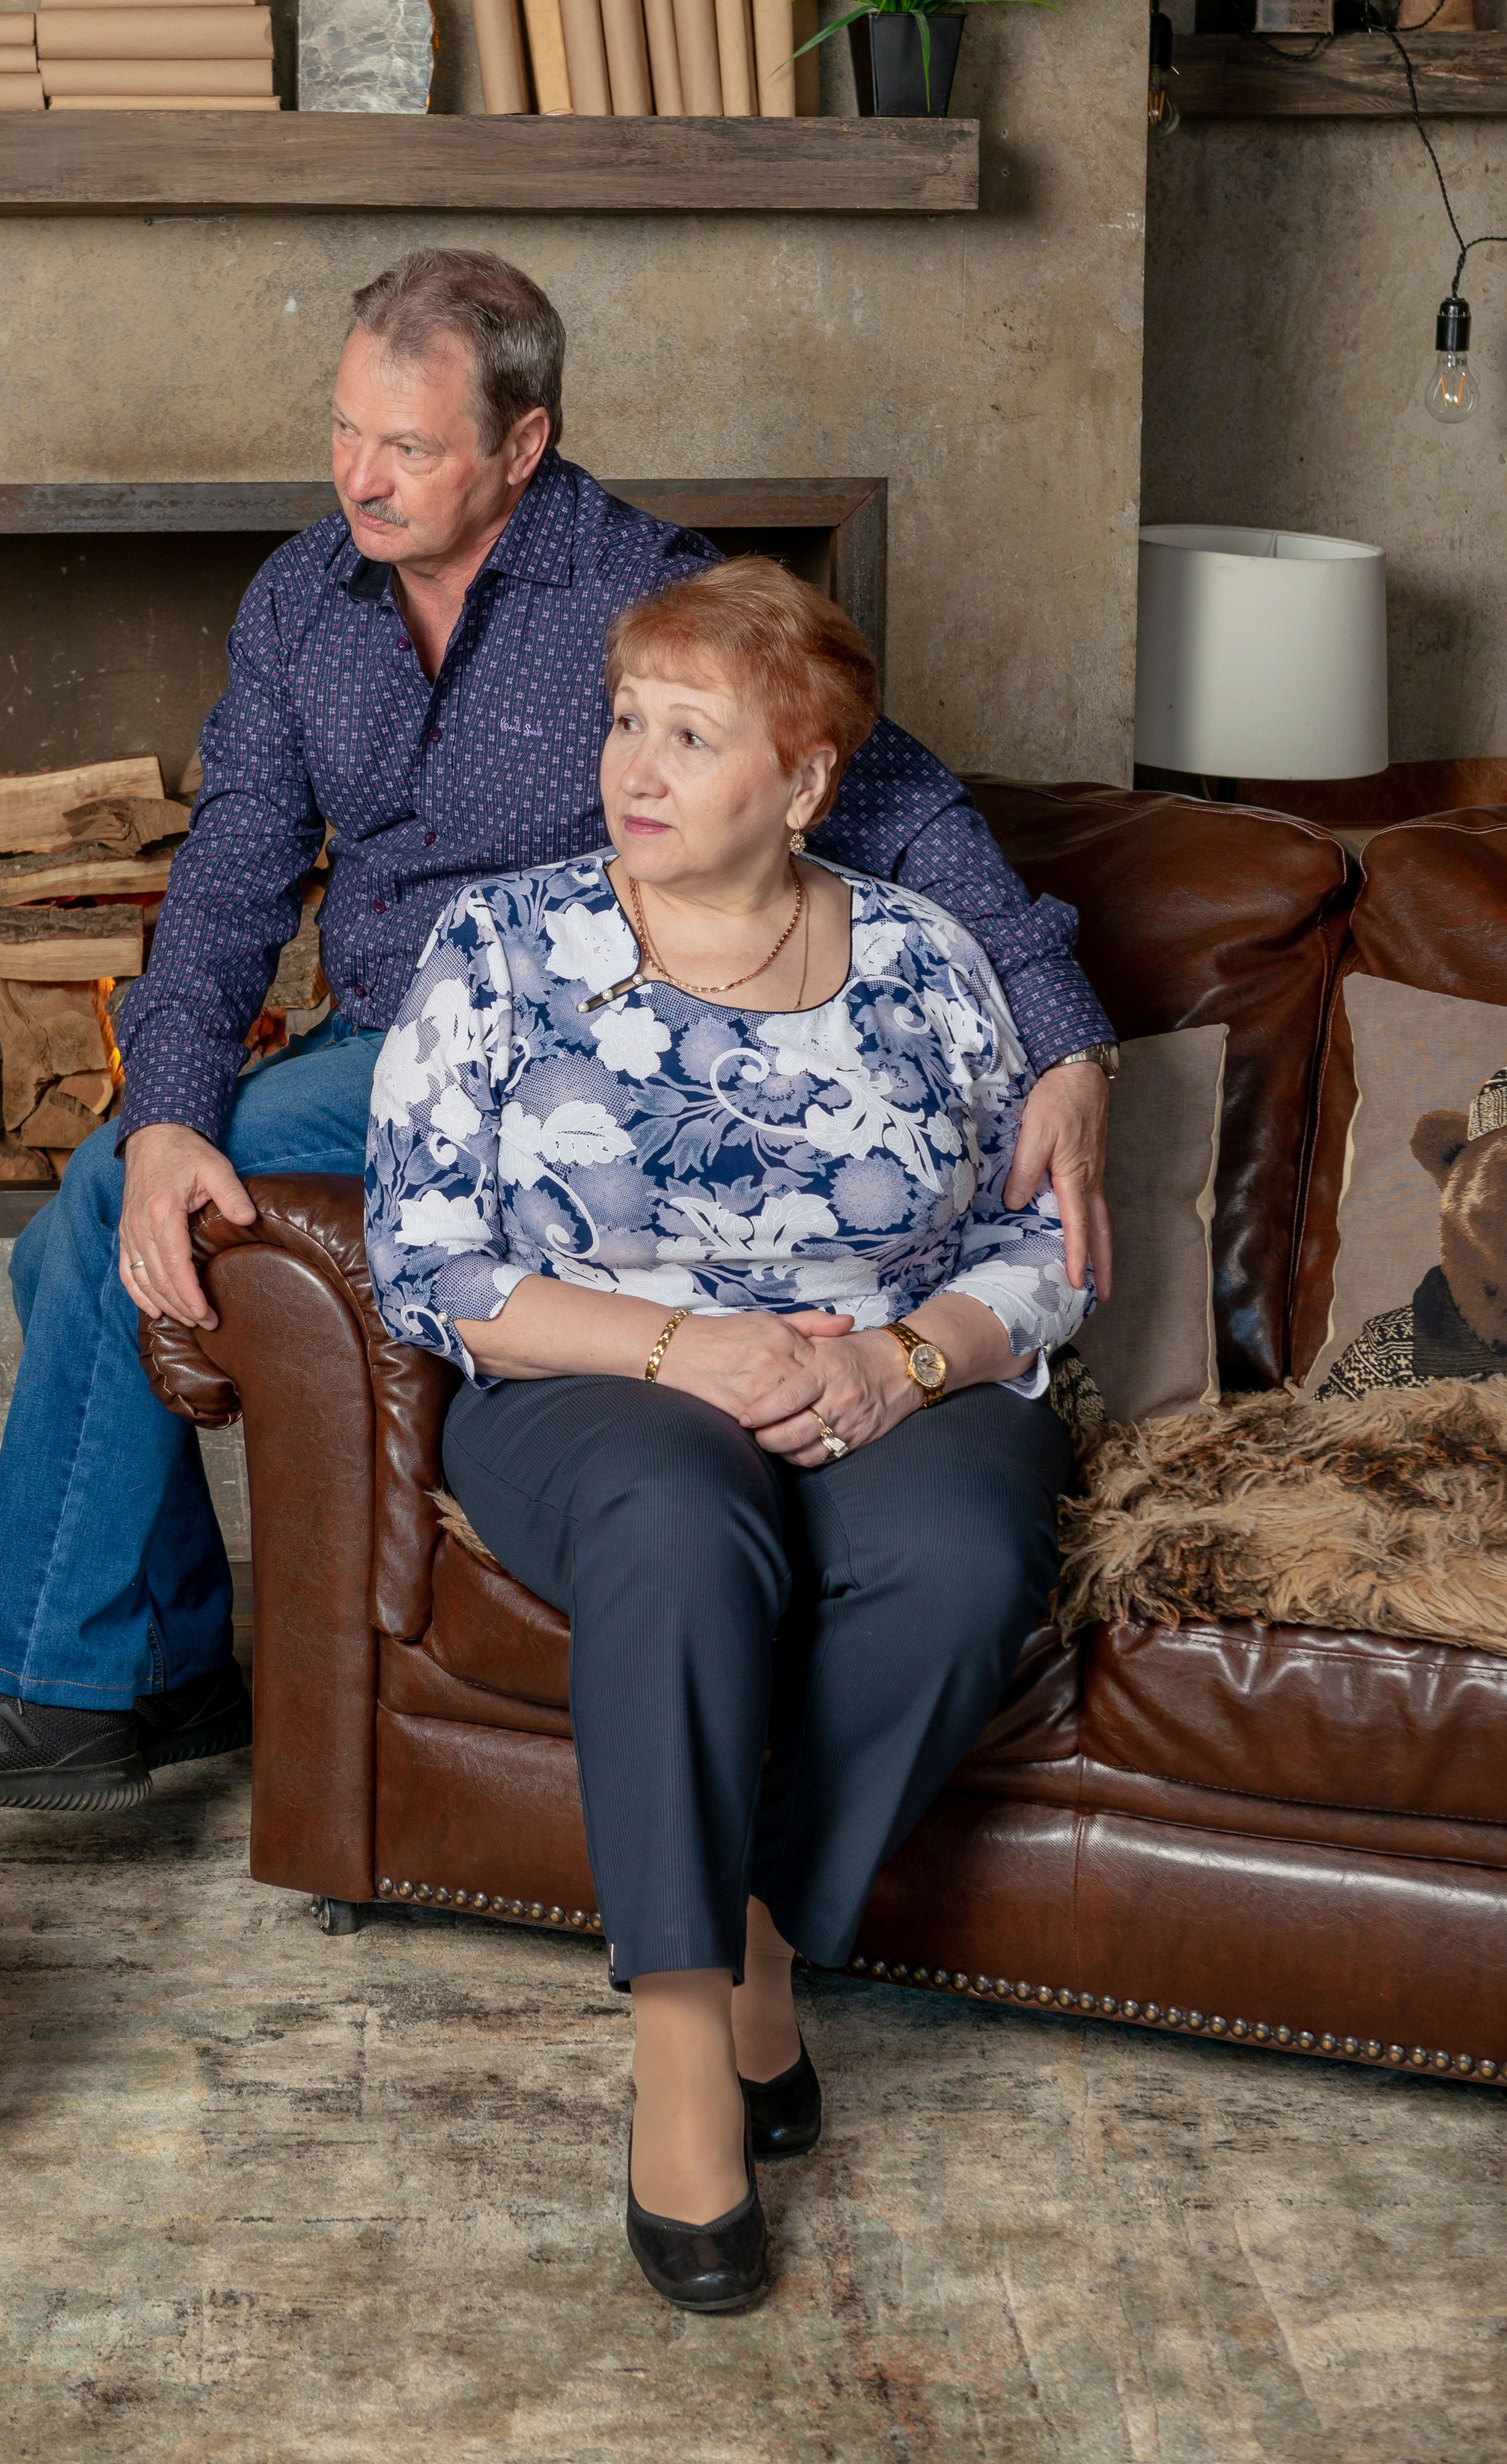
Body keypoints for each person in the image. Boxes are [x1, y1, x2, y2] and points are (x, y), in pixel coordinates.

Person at [0, 247, 1115, 1816]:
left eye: (409, 446)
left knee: (86, 1222)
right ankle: (139, 1671)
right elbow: (228, 874)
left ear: (520, 446)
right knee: (125, 1192)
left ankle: (79, 1687)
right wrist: (173, 1105)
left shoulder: (643, 591)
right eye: (342, 431)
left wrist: (1071, 1047)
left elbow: (900, 801)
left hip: (569, 1053)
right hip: (385, 1044)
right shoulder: (297, 601)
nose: (360, 479)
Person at [365, 558, 1089, 2312]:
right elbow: (425, 1251)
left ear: (806, 778)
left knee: (967, 1548)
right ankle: (687, 2047)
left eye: (692, 734)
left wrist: (904, 1366)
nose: (637, 762)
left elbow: (1036, 1248)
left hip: (878, 1374)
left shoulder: (923, 956)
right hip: (594, 1379)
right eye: (628, 719)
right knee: (681, 1525)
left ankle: (766, 1936)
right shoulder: (503, 943)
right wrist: (688, 1347)